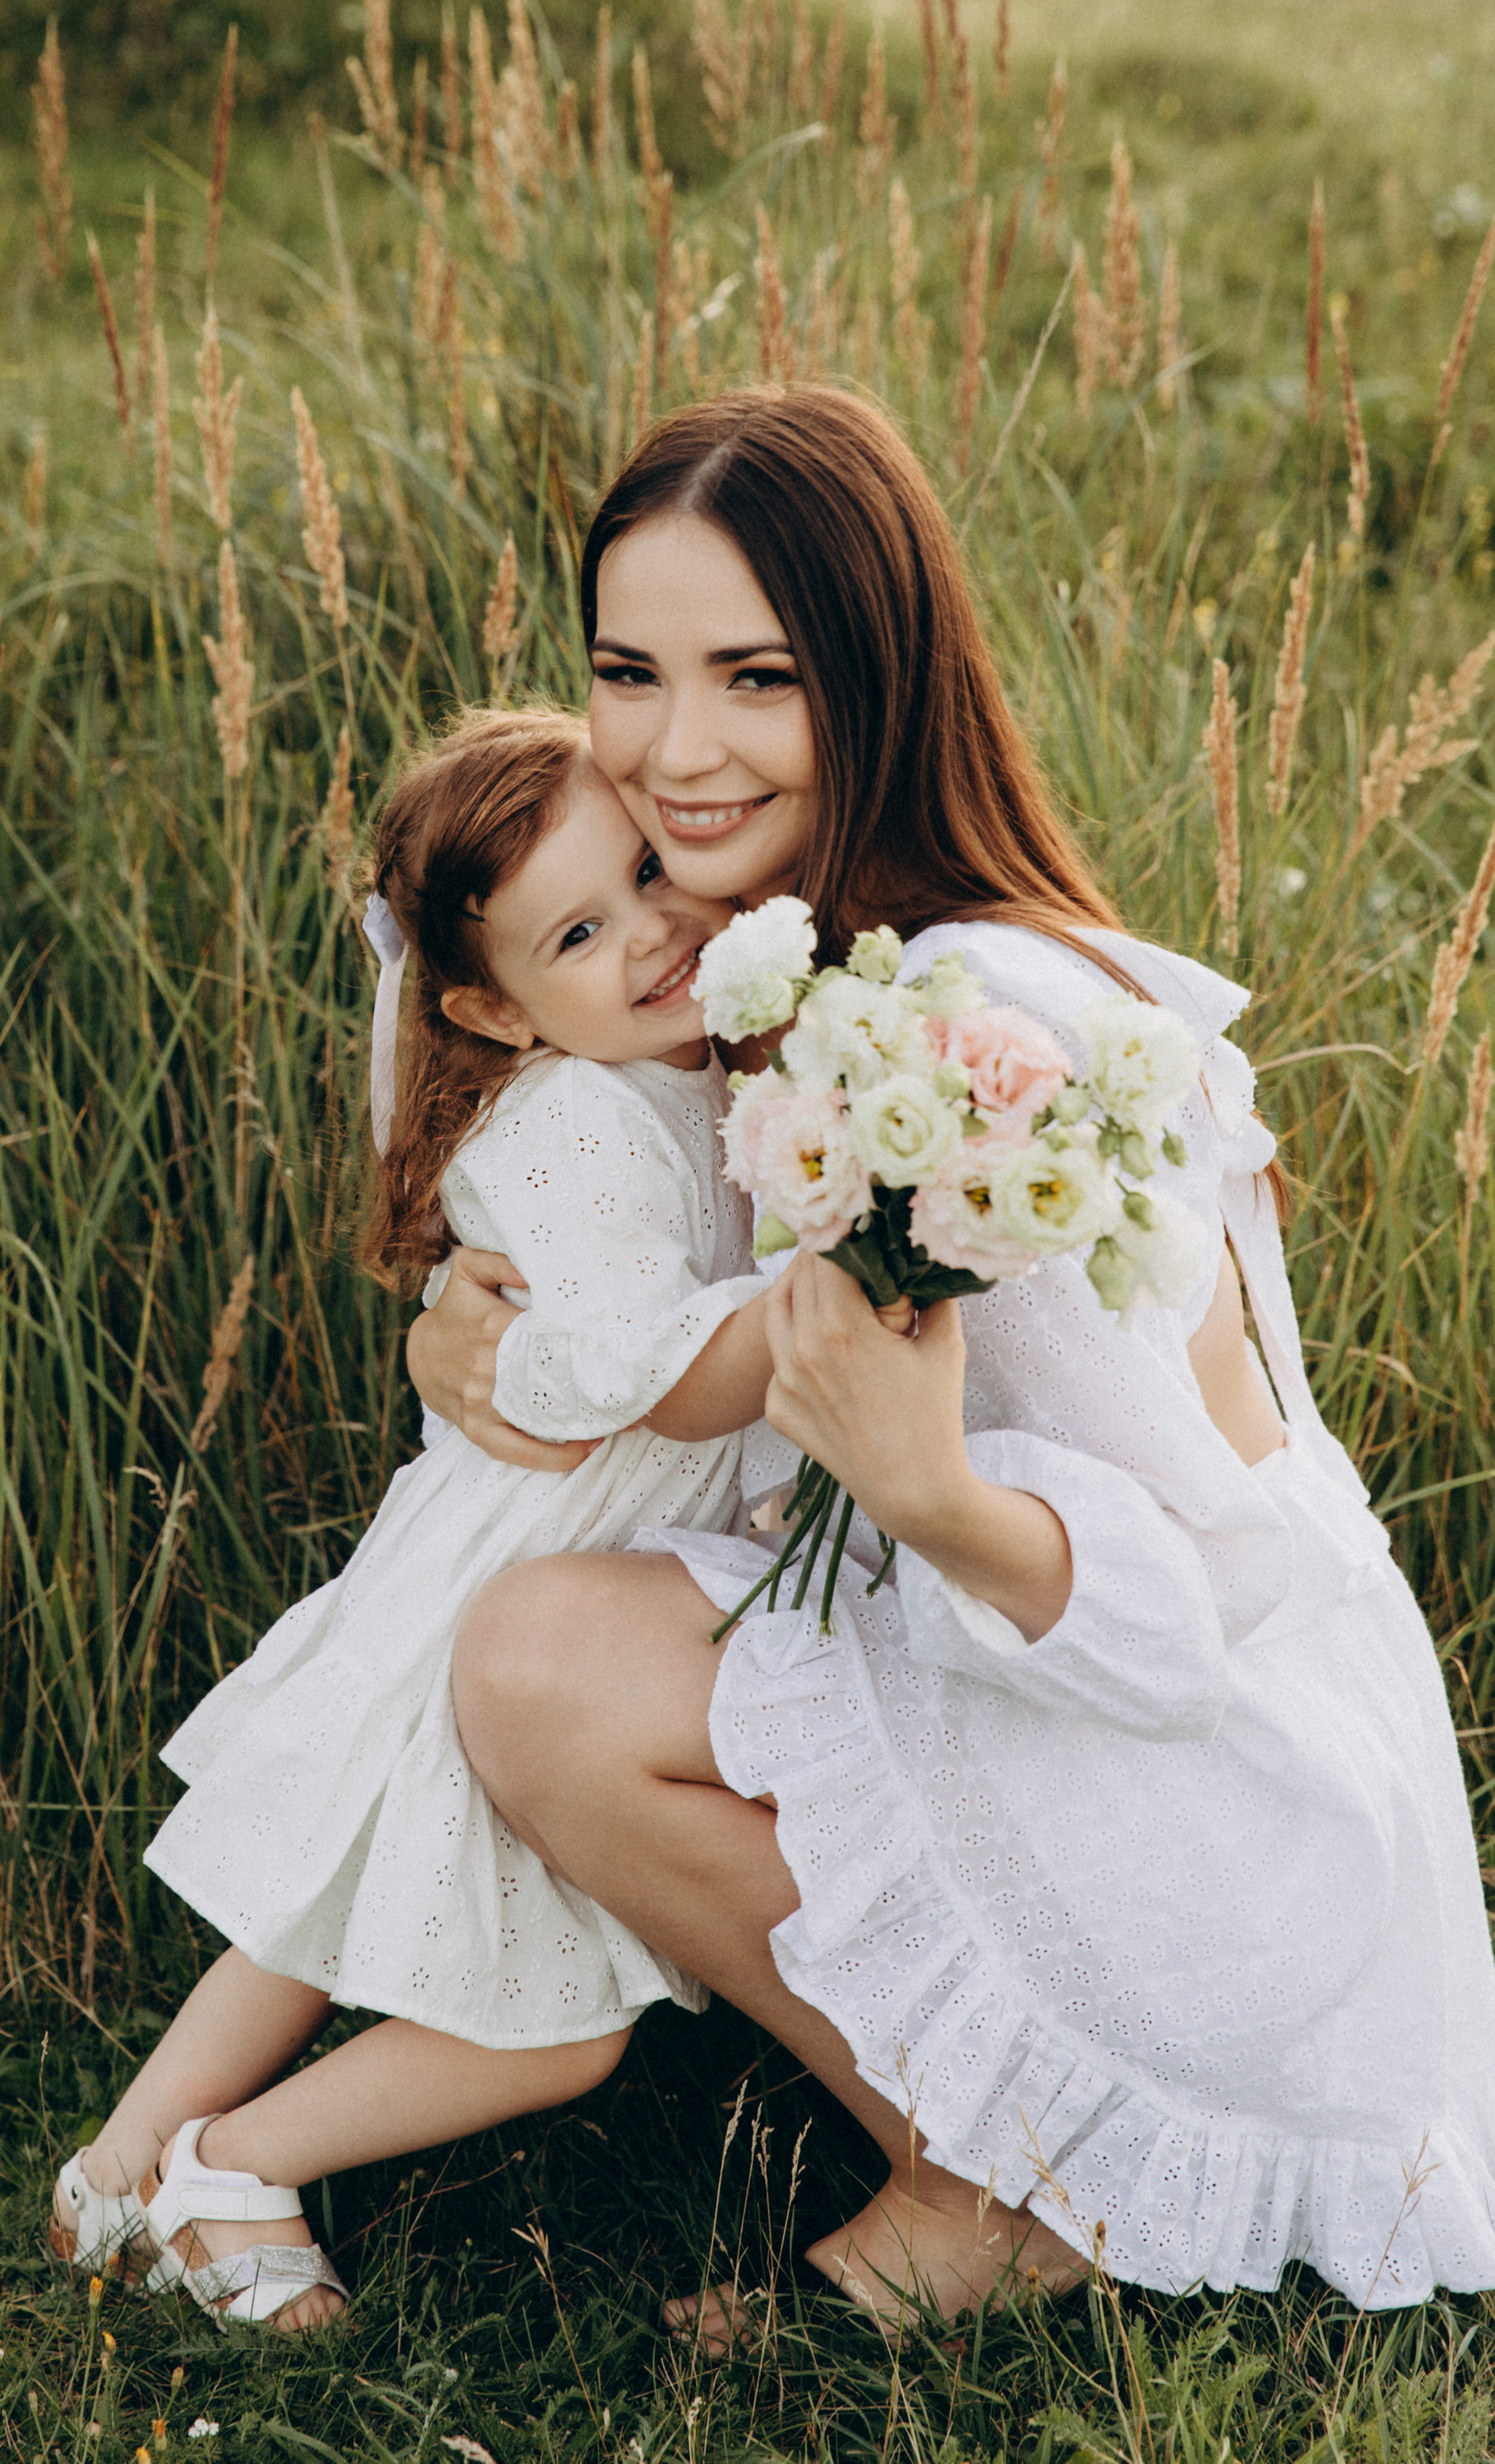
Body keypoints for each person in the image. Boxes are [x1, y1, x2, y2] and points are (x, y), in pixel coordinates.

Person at [414, 386, 1495, 2340]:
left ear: (872, 674)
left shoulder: (967, 1027)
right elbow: (621, 1258)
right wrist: (464, 1318)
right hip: (1072, 1684)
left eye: (754, 677)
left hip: (1239, 1813)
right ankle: (983, 2133)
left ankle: (1010, 2190)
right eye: (625, 674)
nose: (670, 751)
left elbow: (1203, 1597)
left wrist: (928, 1497)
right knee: (547, 1640)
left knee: (540, 1666)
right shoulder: (764, 963)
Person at [50, 704, 800, 2332]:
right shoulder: (577, 1124)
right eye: (582, 932)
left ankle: (111, 2173)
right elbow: (625, 1354)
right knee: (557, 2018)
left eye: (650, 876)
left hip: (500, 1572)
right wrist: (806, 1300)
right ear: (490, 1008)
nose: (658, 932)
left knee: (326, 1894)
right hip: (525, 1595)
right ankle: (230, 2164)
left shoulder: (681, 1070)